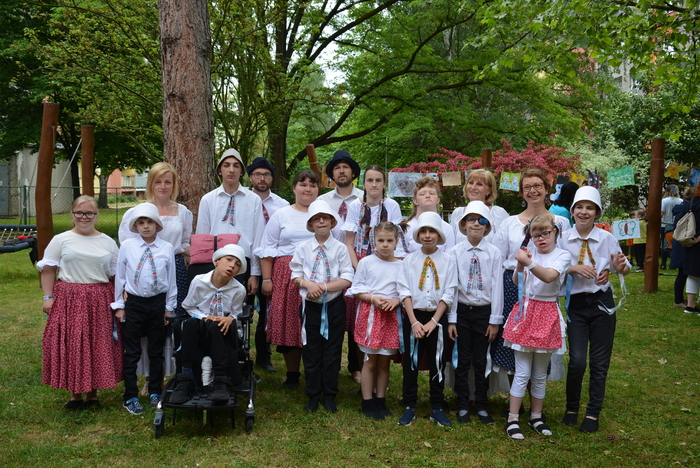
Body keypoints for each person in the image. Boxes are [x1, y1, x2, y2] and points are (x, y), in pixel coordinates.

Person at [492, 168, 571, 402]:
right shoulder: (509, 223)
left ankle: (535, 401)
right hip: (514, 285)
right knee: (513, 346)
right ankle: (516, 405)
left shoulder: (560, 222)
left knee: (539, 342)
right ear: (521, 192)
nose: (532, 190)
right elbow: (499, 259)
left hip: (545, 290)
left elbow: (566, 255)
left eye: (537, 185)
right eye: (527, 187)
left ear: (547, 189)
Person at [39, 195, 121, 409]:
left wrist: (120, 301)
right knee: (74, 343)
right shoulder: (61, 240)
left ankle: (93, 393)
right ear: (72, 214)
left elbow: (118, 275)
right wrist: (48, 297)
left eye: (89, 213)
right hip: (69, 298)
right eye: (79, 212)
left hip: (100, 298)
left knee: (96, 343)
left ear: (96, 214)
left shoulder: (108, 242)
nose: (84, 217)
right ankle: (75, 394)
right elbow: (48, 269)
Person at [560, 186, 630, 433]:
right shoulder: (563, 239)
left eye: (590, 208)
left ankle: (592, 412)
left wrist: (618, 267)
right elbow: (553, 267)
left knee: (600, 361)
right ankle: (571, 408)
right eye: (579, 207)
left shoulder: (606, 238)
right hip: (577, 305)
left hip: (602, 303)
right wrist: (572, 268)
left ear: (597, 213)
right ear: (572, 211)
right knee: (577, 360)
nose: (584, 212)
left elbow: (624, 267)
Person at [118, 161, 192, 394]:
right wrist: (128, 283)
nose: (163, 186)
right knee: (144, 328)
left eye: (167, 182)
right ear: (151, 183)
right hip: (142, 275)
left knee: (169, 323)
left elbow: (186, 243)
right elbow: (126, 248)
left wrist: (209, 254)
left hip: (174, 270)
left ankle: (170, 375)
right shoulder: (137, 213)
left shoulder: (183, 212)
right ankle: (148, 378)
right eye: (158, 181)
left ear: (174, 185)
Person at [502, 214, 571, 439]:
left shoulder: (562, 255)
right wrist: (520, 264)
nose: (540, 238)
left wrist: (528, 262)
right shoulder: (531, 253)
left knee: (540, 373)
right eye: (535, 235)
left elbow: (549, 277)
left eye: (545, 233)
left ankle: (536, 416)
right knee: (522, 372)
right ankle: (513, 419)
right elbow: (517, 282)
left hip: (547, 313)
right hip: (526, 312)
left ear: (555, 232)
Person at [256, 170, 322, 389]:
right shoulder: (281, 214)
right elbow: (268, 248)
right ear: (294, 188)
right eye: (303, 184)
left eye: (312, 184)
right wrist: (267, 279)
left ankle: (316, 372)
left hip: (318, 273)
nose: (307, 189)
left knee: (314, 323)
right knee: (290, 324)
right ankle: (293, 373)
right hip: (287, 274)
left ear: (318, 190)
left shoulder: (324, 214)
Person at [113, 203, 177, 414]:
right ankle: (130, 395)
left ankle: (155, 391)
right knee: (132, 351)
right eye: (141, 223)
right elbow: (120, 277)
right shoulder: (127, 246)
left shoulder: (166, 248)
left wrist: (169, 308)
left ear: (157, 224)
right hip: (134, 304)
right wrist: (119, 305)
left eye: (149, 222)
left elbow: (171, 280)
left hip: (157, 304)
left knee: (156, 351)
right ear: (135, 226)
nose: (145, 226)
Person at [290, 200, 354, 413]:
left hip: (334, 306)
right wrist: (307, 284)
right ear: (311, 224)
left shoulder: (341, 249)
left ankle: (329, 394)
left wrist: (324, 288)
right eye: (316, 219)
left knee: (332, 351)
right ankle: (313, 394)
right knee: (311, 350)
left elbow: (347, 277)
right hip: (310, 307)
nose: (321, 222)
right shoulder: (302, 248)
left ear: (332, 222)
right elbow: (296, 275)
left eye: (325, 218)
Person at [397, 212, 458, 427]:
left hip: (437, 318)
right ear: (418, 235)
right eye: (423, 231)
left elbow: (449, 291)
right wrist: (414, 321)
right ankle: (409, 405)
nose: (427, 235)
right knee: (411, 362)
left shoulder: (448, 261)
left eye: (432, 231)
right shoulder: (409, 260)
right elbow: (404, 290)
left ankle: (437, 407)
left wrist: (435, 321)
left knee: (437, 362)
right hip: (414, 316)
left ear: (439, 235)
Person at [169, 244, 248, 404]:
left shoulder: (238, 289)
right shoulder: (199, 281)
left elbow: (237, 312)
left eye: (237, 264)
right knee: (190, 323)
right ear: (216, 261)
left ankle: (221, 380)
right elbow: (189, 306)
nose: (232, 265)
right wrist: (204, 317)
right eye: (229, 260)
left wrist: (231, 318)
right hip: (200, 328)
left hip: (222, 331)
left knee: (215, 325)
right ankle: (186, 379)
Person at [447, 201, 504, 425]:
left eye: (481, 220)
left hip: (484, 313)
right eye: (471, 219)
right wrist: (452, 319)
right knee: (462, 360)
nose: (476, 224)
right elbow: (452, 287)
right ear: (463, 224)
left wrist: (495, 320)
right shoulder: (455, 252)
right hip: (462, 311)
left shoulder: (493, 253)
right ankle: (462, 404)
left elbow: (497, 287)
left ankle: (481, 404)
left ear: (488, 226)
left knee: (481, 360)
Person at [348, 222, 402, 420]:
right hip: (371, 315)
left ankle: (381, 399)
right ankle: (367, 402)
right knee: (370, 361)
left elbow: (405, 290)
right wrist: (372, 299)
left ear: (396, 242)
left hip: (390, 317)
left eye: (389, 240)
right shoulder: (366, 262)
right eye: (381, 240)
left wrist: (396, 301)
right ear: (373, 241)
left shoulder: (401, 265)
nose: (385, 245)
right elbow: (356, 289)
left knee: (384, 362)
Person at [318, 150, 364, 383]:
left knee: (357, 315)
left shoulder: (365, 198)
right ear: (332, 174)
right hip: (330, 263)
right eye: (337, 168)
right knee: (333, 314)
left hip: (359, 261)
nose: (342, 171)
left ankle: (357, 367)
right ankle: (330, 364)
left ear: (353, 172)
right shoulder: (323, 201)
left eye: (346, 167)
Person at [196, 148, 265, 296]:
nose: (231, 170)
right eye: (226, 165)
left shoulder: (253, 200)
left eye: (236, 165)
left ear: (242, 171)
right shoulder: (208, 199)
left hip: (243, 264)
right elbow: (203, 237)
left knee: (240, 307)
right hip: (215, 263)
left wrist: (254, 274)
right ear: (220, 171)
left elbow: (258, 238)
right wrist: (205, 272)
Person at [247, 156, 290, 373]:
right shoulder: (244, 201)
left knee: (266, 311)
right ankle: (240, 354)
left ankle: (264, 356)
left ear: (272, 178)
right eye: (257, 174)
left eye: (266, 175)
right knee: (242, 310)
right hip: (244, 262)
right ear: (250, 177)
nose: (262, 178)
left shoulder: (282, 206)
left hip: (271, 264)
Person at [450, 169, 509, 244]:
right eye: (471, 183)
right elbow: (451, 245)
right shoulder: (457, 213)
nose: (473, 187)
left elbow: (504, 245)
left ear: (489, 190)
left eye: (479, 184)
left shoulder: (498, 213)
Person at [401, 176, 456, 254]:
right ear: (415, 201)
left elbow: (450, 255)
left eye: (432, 193)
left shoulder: (447, 228)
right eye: (422, 194)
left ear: (438, 200)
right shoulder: (407, 228)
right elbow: (401, 256)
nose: (427, 196)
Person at [671, 187, 694, 308]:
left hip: (679, 241)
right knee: (683, 272)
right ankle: (678, 300)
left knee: (683, 272)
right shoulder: (688, 208)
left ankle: (679, 299)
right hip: (684, 242)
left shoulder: (680, 207)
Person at [682, 184, 700, 314]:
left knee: (692, 274)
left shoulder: (691, 203)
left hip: (688, 241)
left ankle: (690, 305)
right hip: (696, 240)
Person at [661, 184, 682, 269]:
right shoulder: (681, 201)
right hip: (677, 224)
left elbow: (662, 213)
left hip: (665, 224)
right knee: (676, 244)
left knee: (665, 245)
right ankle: (674, 263)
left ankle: (663, 264)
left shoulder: (664, 201)